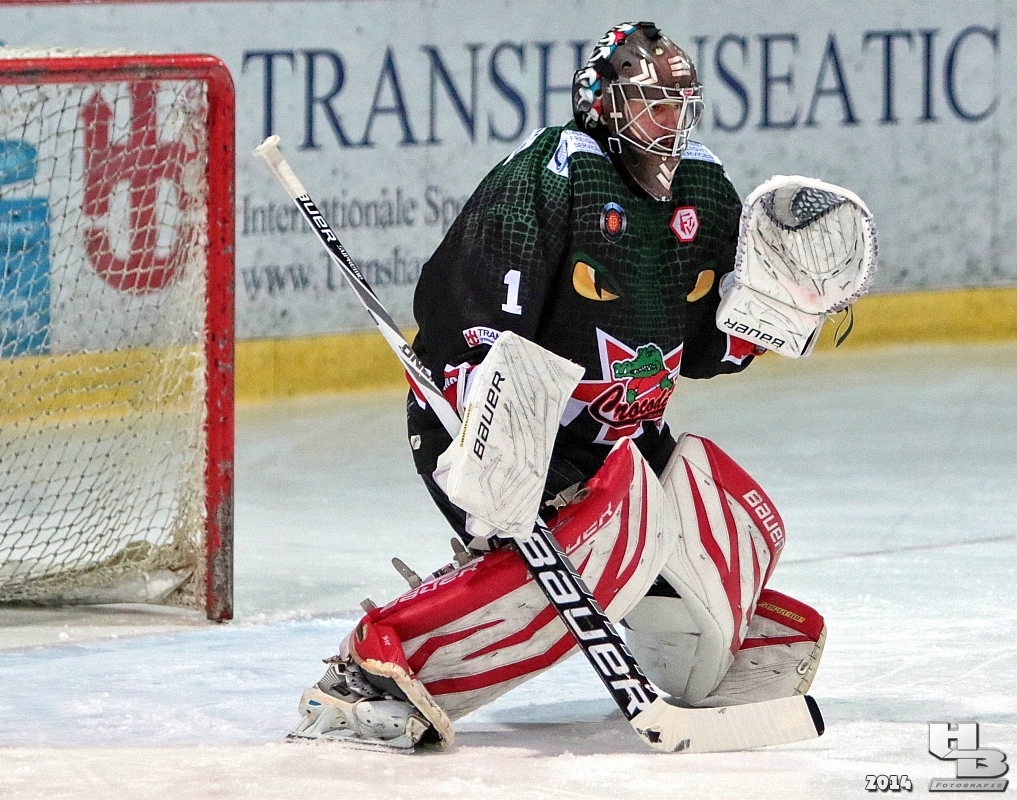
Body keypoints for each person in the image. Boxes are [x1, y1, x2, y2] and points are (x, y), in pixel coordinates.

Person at [289, 21, 827, 752]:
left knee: (718, 514)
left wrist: (766, 319)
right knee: (601, 540)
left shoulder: (704, 186)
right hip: (497, 425)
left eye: (680, 104)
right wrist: (490, 428)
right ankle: (369, 676)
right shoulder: (553, 174)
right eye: (654, 104)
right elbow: (468, 313)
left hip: (625, 441)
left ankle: (697, 655)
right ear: (603, 103)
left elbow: (705, 351)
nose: (672, 122)